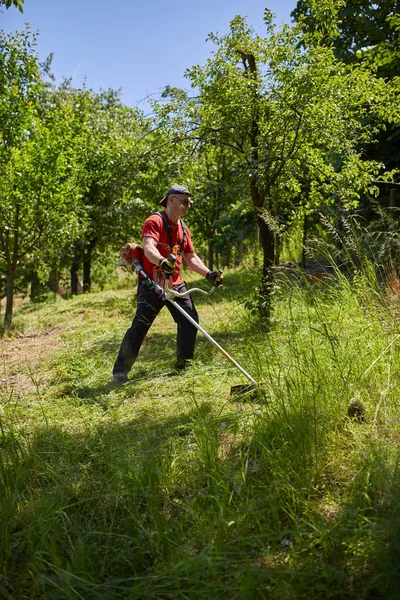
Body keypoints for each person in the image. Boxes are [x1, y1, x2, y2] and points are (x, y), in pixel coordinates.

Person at [113, 184, 223, 384]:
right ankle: (120, 372)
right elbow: (148, 248)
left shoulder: (183, 228)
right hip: (151, 283)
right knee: (140, 326)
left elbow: (191, 257)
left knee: (190, 321)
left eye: (190, 202)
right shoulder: (154, 221)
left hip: (175, 284)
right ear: (171, 200)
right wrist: (162, 262)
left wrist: (209, 274)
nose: (188, 206)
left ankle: (184, 366)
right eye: (185, 202)